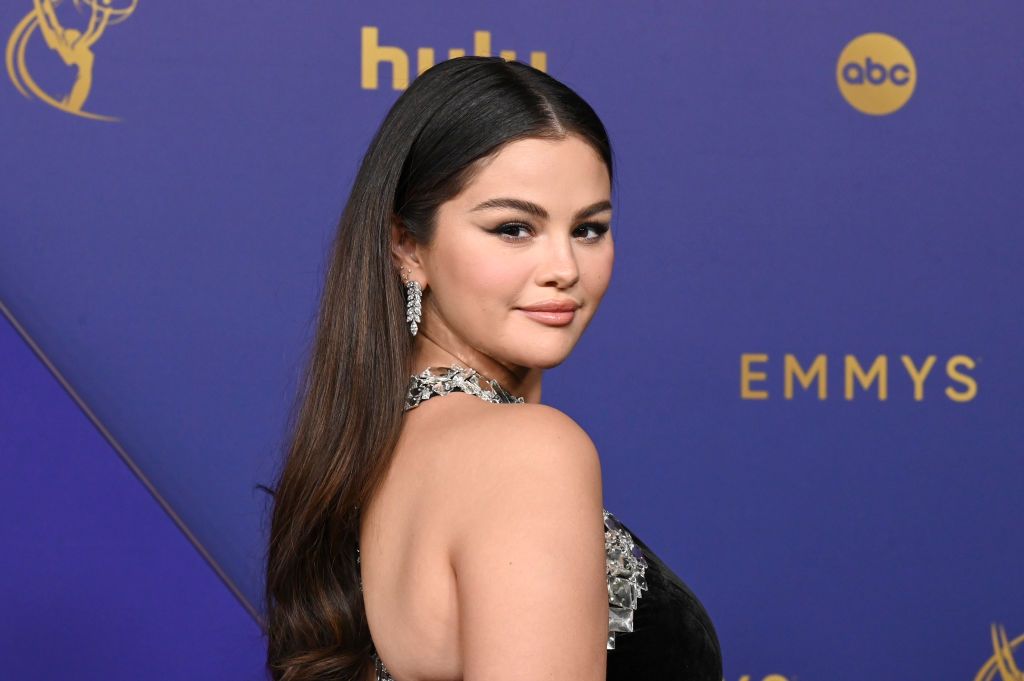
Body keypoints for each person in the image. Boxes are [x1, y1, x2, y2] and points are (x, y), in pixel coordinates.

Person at [263, 55, 723, 681]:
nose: (563, 266)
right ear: (406, 245)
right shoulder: (527, 452)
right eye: (514, 228)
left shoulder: (368, 449)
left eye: (589, 229)